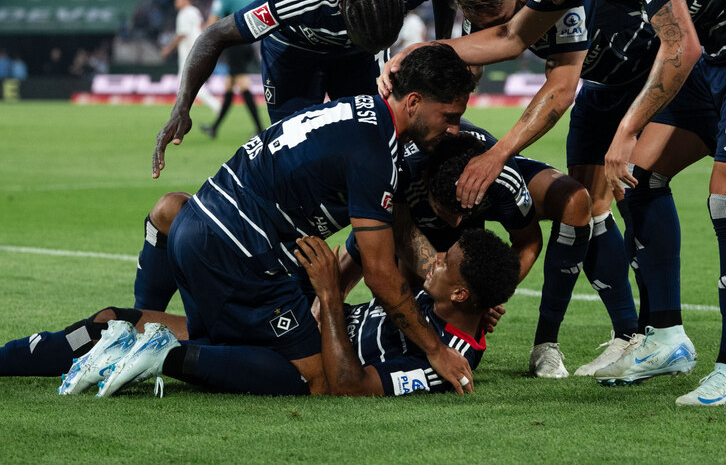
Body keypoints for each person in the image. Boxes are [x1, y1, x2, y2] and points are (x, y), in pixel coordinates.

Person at [385, 0, 726, 406]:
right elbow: (509, 38)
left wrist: (626, 130)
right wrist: (413, 56)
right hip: (718, 52)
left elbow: (681, 44)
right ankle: (666, 338)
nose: (526, 0)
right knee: (641, 178)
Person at [144, 43, 478, 393]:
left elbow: (397, 231)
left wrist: (469, 295)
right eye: (449, 116)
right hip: (238, 246)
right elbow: (380, 274)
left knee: (214, 344)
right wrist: (436, 350)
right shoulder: (376, 153)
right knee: (314, 376)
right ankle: (156, 356)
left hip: (200, 222)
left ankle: (101, 332)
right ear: (413, 102)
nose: (454, 129)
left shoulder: (361, 111)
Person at [0, 228, 519, 398]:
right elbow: (399, 239)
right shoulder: (444, 306)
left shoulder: (450, 366)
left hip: (296, 367)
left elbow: (350, 385)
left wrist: (331, 298)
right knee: (117, 317)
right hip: (294, 322)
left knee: (172, 351)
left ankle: (150, 360)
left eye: (445, 266)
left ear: (460, 295)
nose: (433, 264)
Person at [451, 0, 663, 376]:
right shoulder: (485, 2)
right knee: (587, 203)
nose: (487, 20)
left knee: (638, 194)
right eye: (478, 13)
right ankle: (620, 335)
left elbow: (563, 86)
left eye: (493, 9)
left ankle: (658, 331)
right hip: (601, 87)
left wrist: (498, 154)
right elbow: (468, 67)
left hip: (643, 83)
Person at [152, 0, 459, 176]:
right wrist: (182, 105)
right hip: (294, 48)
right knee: (292, 158)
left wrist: (445, 47)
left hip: (356, 54)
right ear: (341, 11)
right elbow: (214, 35)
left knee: (378, 144)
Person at [345, 126, 592, 378]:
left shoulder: (500, 178)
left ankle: (546, 344)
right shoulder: (401, 171)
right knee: (382, 270)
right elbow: (398, 233)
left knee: (576, 199)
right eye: (446, 212)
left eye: (463, 212)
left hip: (476, 200)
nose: (455, 223)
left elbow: (528, 242)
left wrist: (483, 297)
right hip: (403, 214)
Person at [199, 0, 264, 138]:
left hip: (234, 43)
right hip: (250, 42)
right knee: (230, 86)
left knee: (243, 84)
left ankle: (260, 128)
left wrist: (201, 35)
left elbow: (213, 21)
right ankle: (214, 128)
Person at [159, 0, 222, 115]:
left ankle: (182, 113)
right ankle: (211, 106)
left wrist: (168, 48)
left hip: (189, 53)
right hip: (199, 49)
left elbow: (182, 34)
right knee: (191, 84)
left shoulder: (184, 13)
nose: (176, 1)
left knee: (185, 83)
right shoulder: (195, 11)